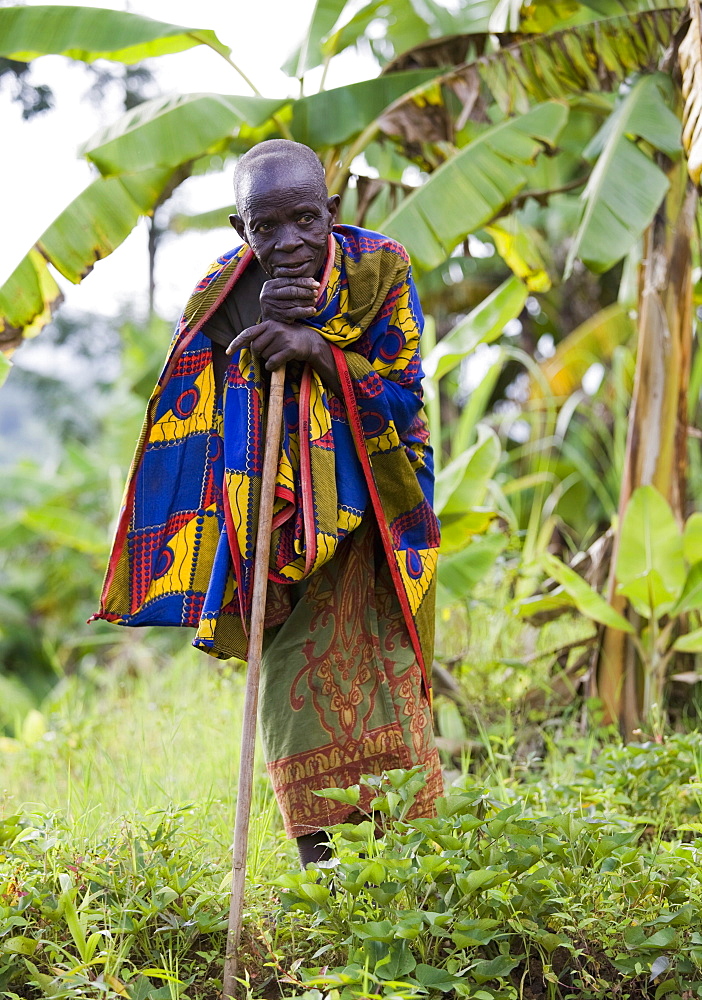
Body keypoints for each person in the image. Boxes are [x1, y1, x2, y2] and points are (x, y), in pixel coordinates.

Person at [92, 139, 442, 867]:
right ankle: (321, 869)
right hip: (274, 531)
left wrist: (317, 348)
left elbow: (406, 396)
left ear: (332, 214)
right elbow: (197, 414)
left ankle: (407, 867)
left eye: (305, 222)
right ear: (240, 230)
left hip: (373, 516)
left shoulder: (382, 270)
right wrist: (255, 339)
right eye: (267, 227)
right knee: (293, 686)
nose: (289, 242)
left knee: (383, 674)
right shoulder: (223, 295)